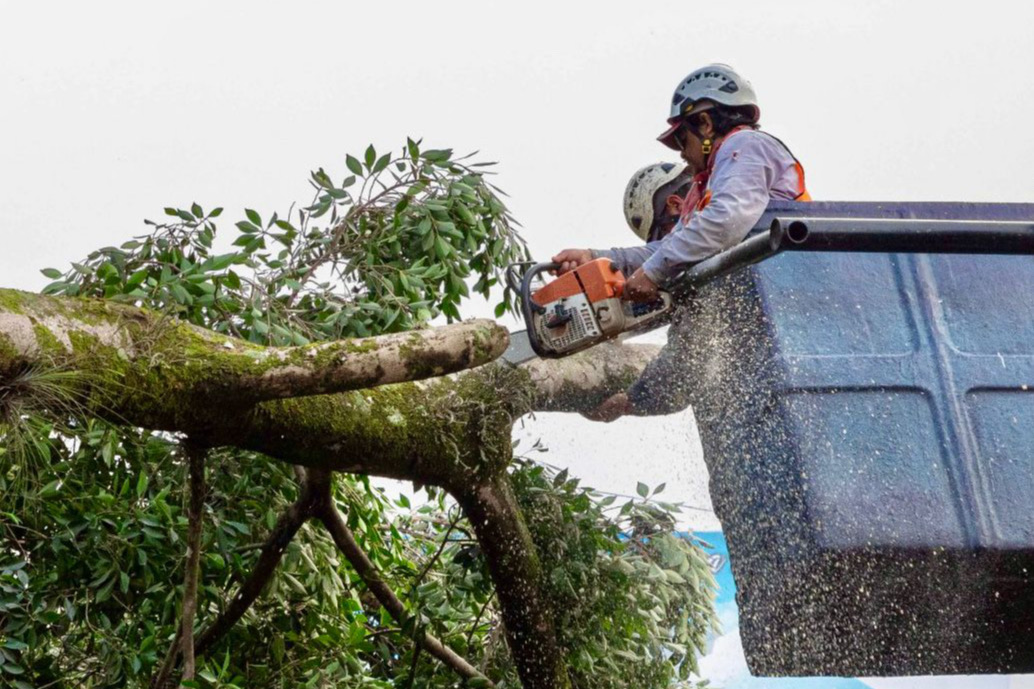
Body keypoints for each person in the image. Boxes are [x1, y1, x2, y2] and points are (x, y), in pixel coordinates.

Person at [559, 64, 811, 422]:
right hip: (761, 331)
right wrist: (597, 258)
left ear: (706, 124)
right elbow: (666, 250)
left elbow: (725, 221)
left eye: (682, 140)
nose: (680, 153)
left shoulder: (745, 146)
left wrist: (655, 273)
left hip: (790, 299)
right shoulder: (704, 190)